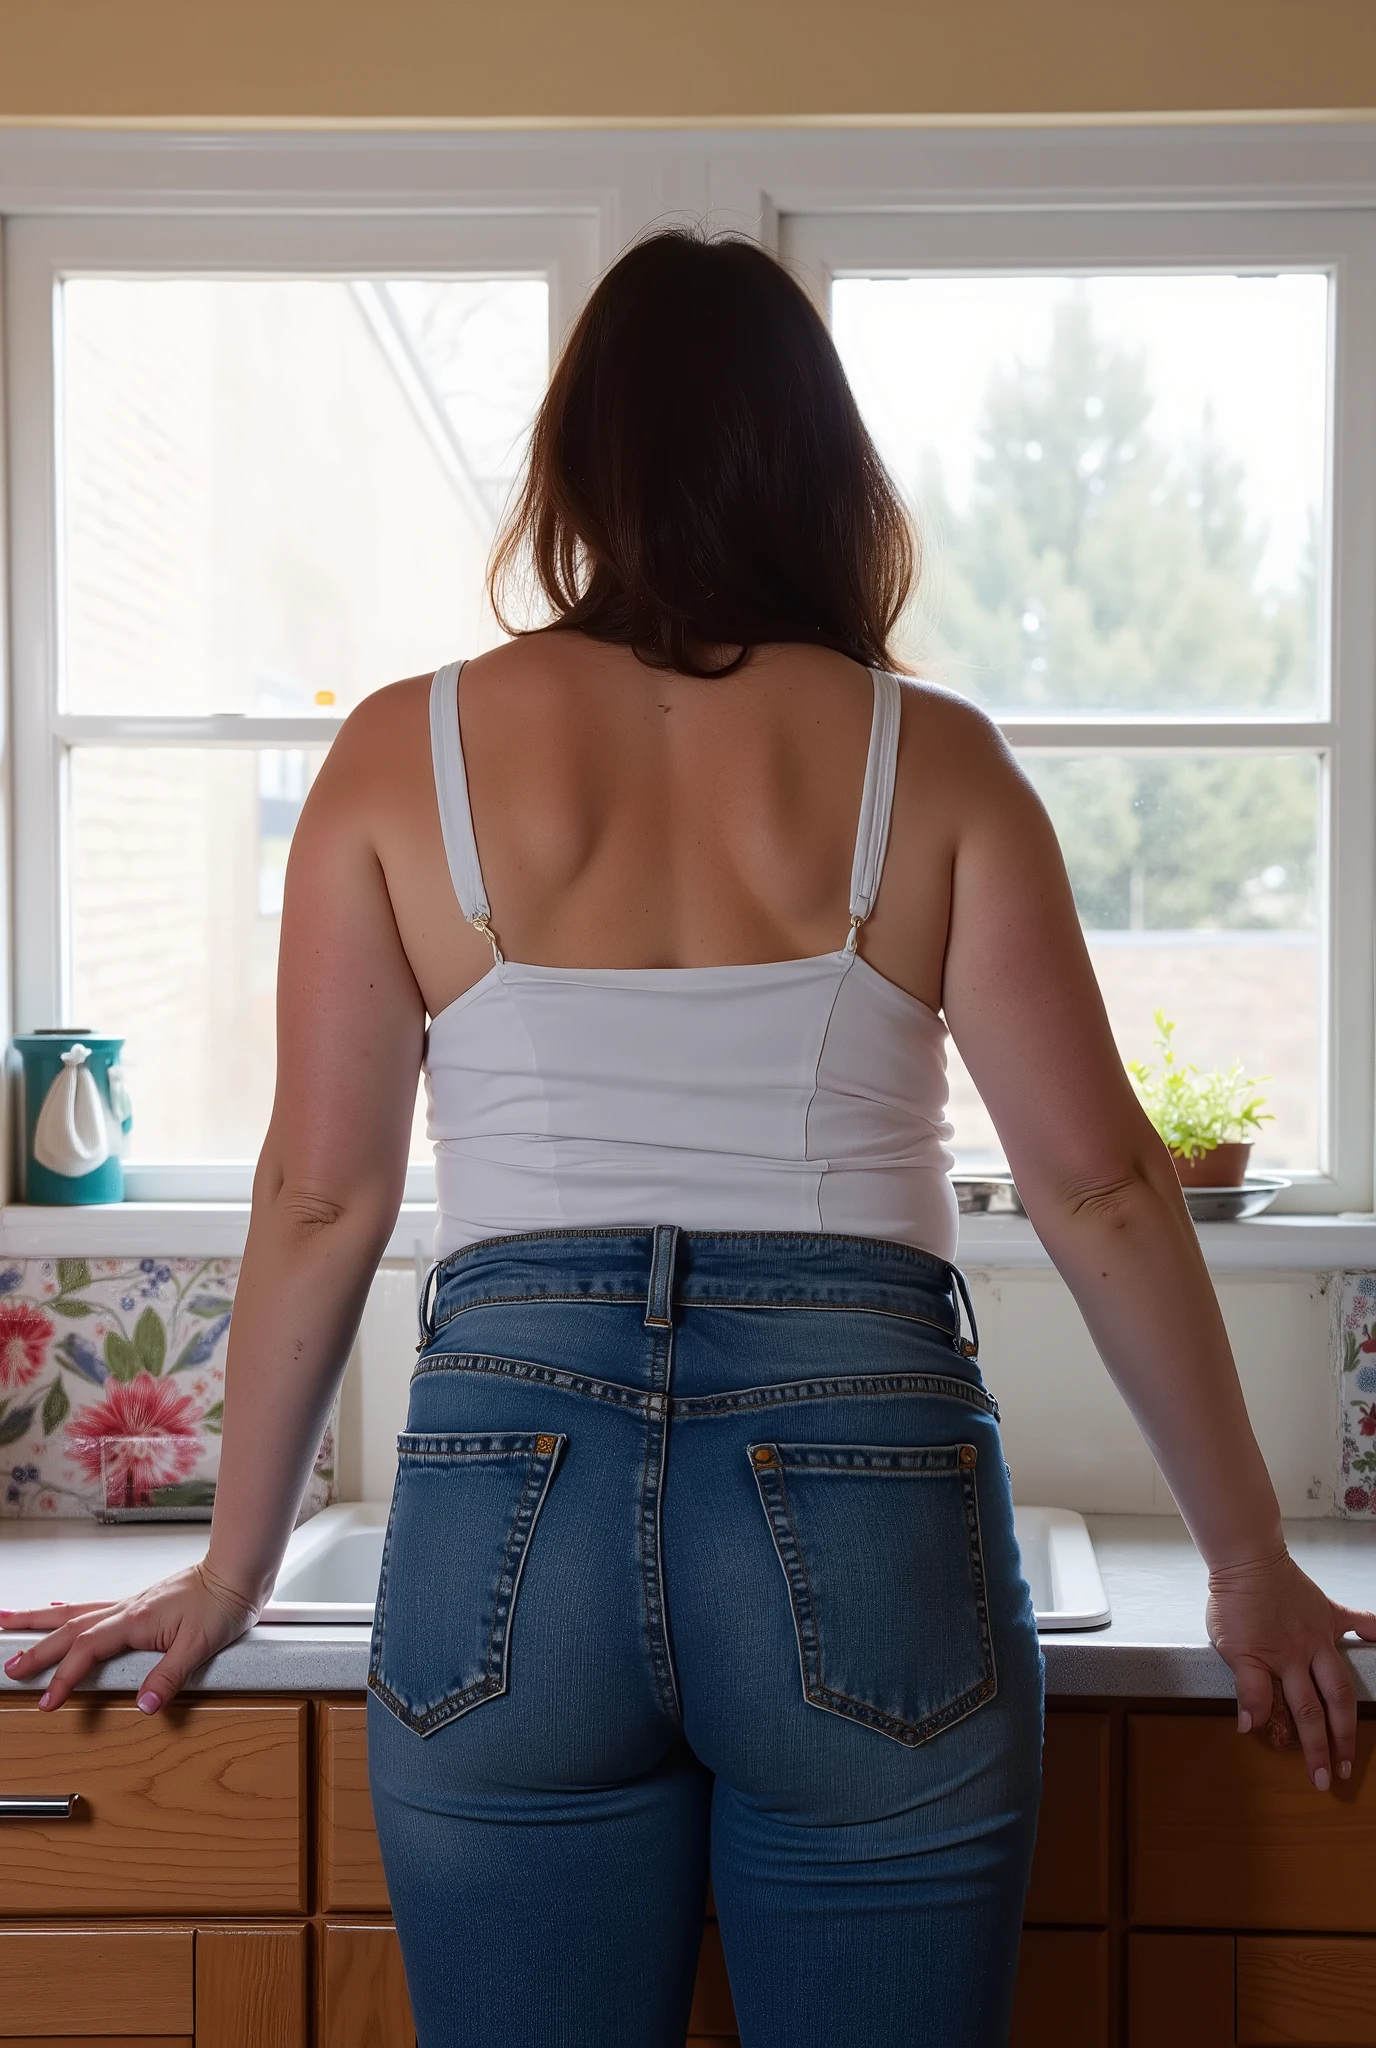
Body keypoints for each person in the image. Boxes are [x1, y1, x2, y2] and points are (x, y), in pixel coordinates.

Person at [3, 228, 1372, 2048]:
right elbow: (1103, 1187)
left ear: (573, 471)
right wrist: (1245, 1556)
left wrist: (231, 1569)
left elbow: (322, 1192)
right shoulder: (936, 761)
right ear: (830, 474)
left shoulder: (396, 759)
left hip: (511, 1480)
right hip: (864, 1465)